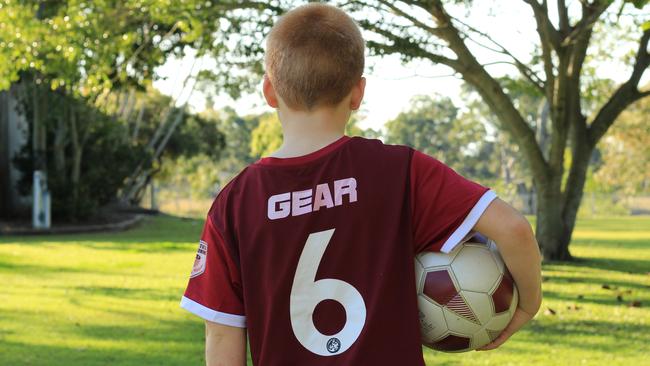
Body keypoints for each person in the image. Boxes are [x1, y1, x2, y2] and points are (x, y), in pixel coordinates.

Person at [180, 3, 542, 365]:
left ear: (269, 92)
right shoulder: (399, 170)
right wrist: (528, 304)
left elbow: (222, 331)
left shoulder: (236, 201)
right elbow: (513, 229)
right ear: (357, 93)